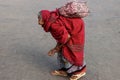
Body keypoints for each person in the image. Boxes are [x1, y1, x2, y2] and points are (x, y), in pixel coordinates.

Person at [38, 9, 86, 80]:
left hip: (76, 30)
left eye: (39, 19)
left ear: (45, 18)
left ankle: (80, 71)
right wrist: (57, 48)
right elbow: (62, 38)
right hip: (71, 29)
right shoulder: (51, 19)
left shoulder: (54, 25)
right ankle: (65, 70)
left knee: (71, 51)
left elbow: (66, 38)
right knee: (63, 50)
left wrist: (55, 49)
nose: (38, 22)